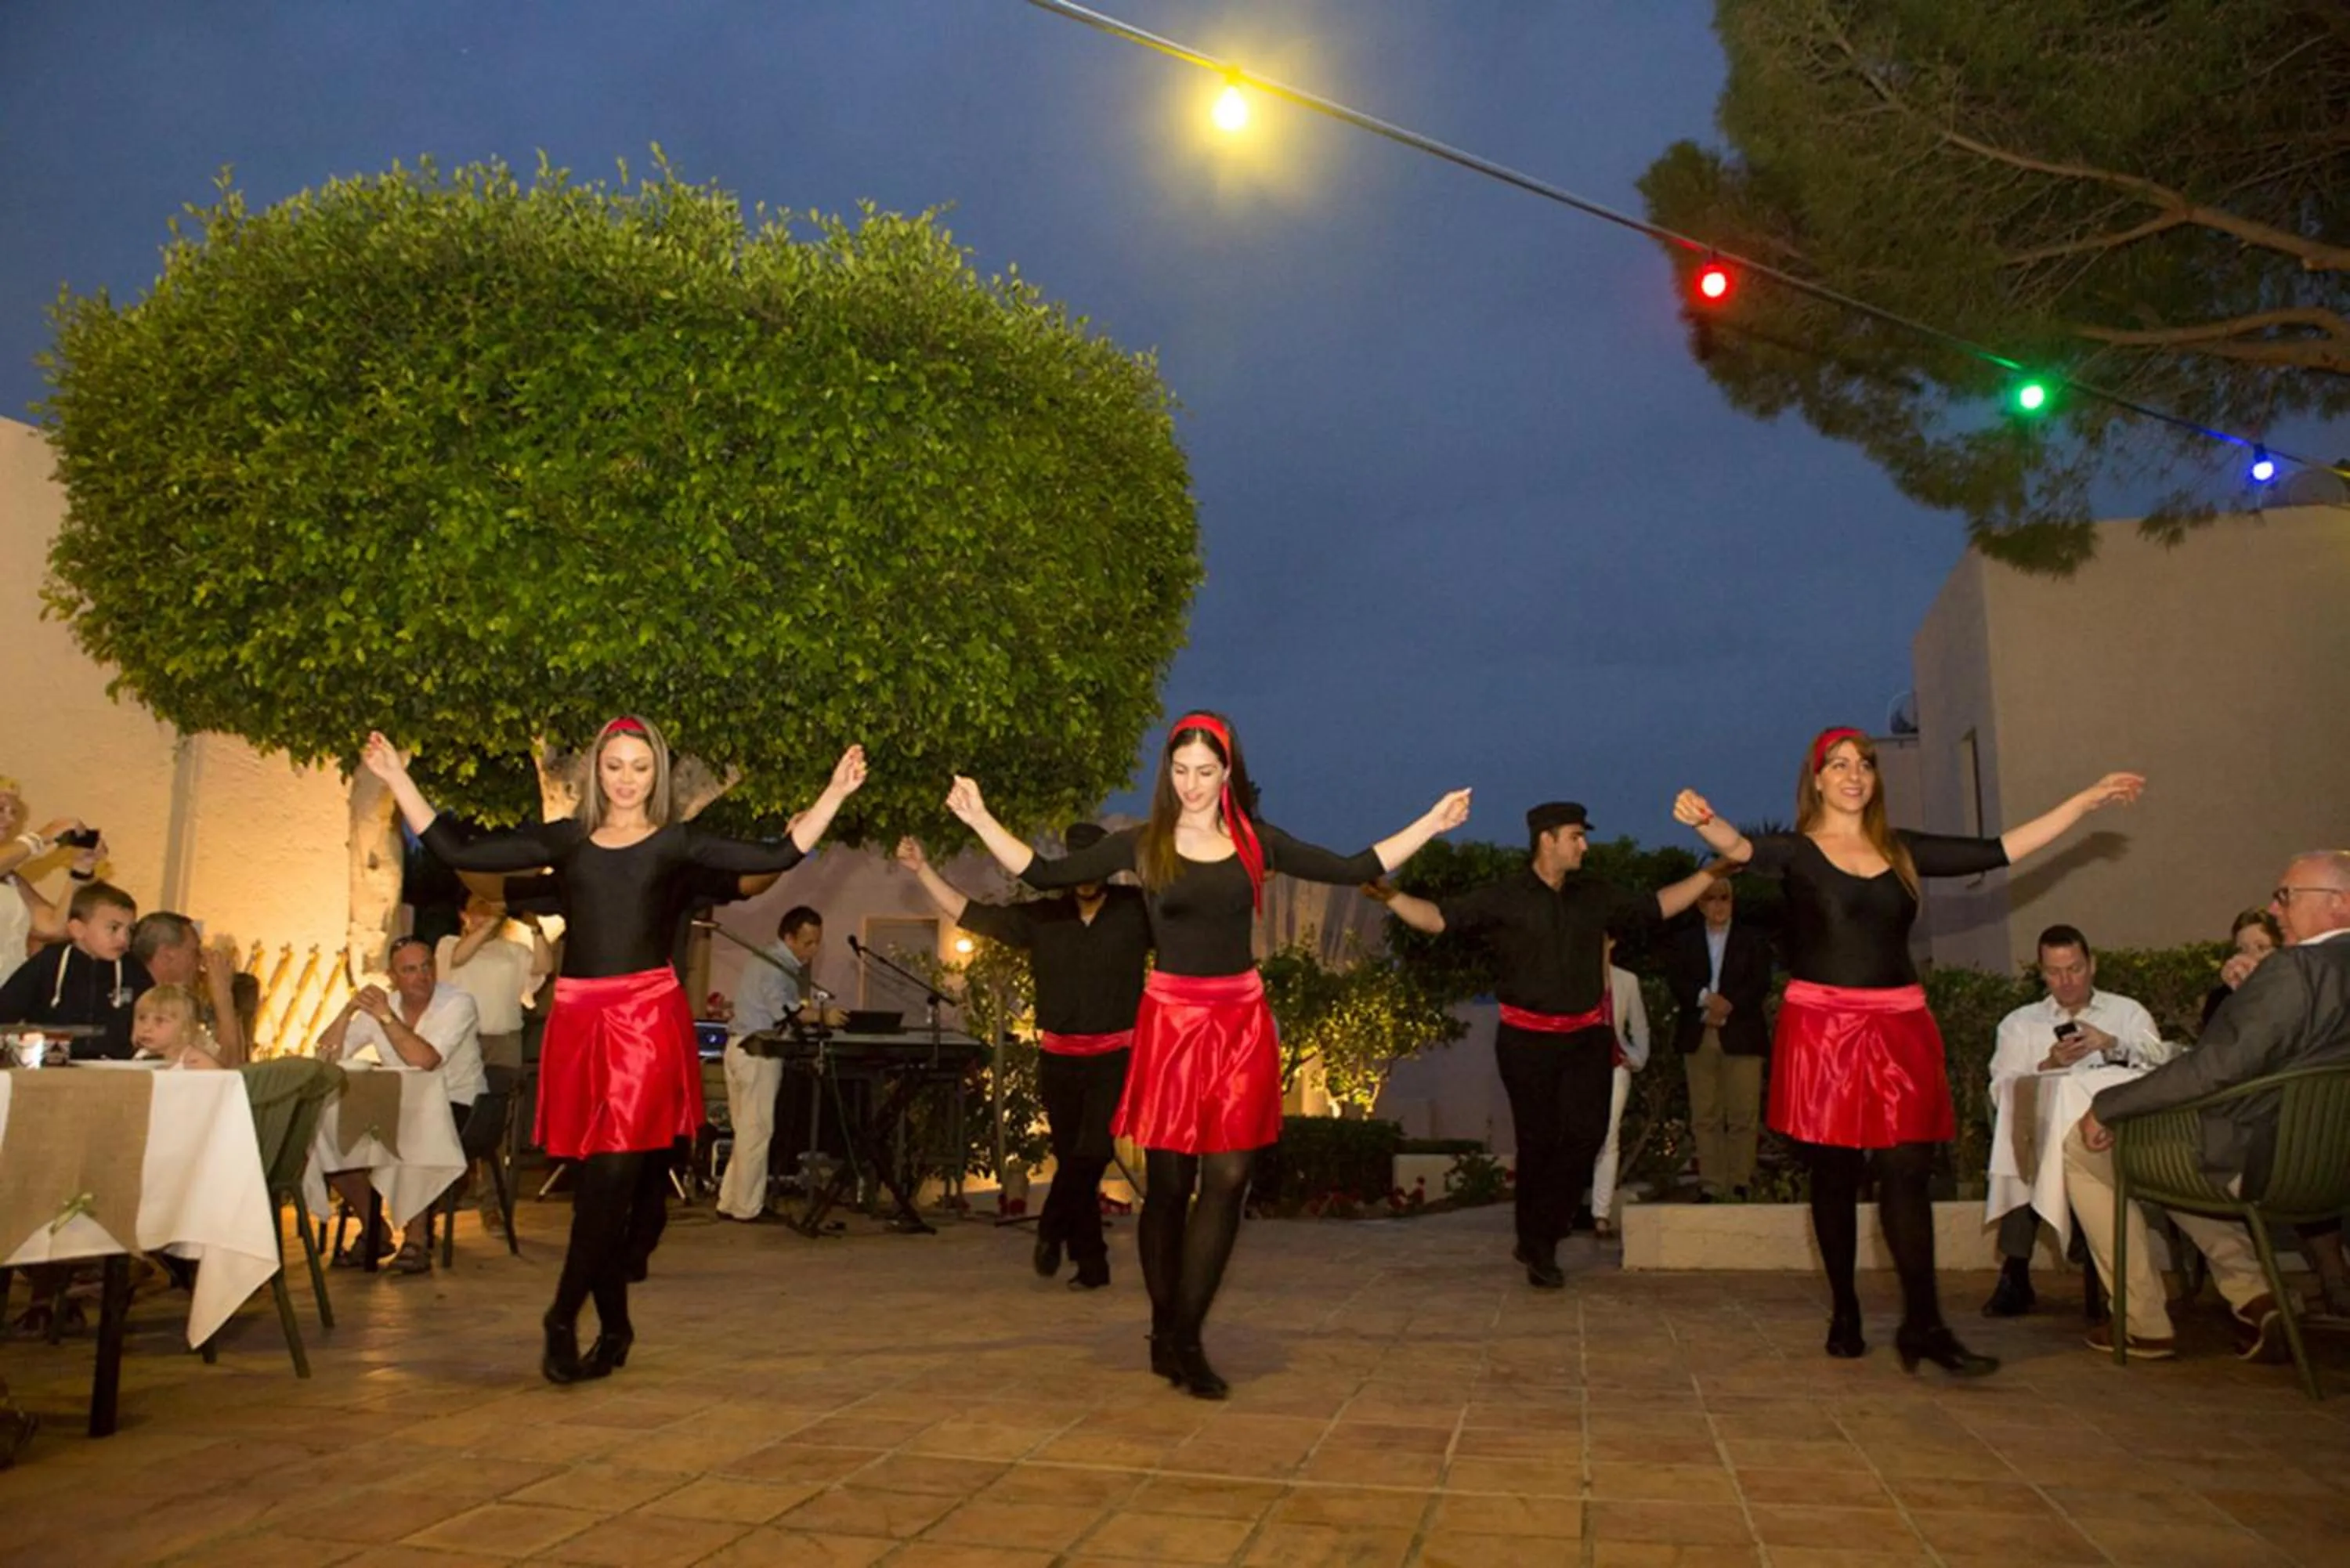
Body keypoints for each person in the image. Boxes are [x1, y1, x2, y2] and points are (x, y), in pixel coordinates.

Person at [945, 711, 1469, 1398]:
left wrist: (1429, 822)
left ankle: (1186, 1336)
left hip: (1240, 1023)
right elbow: (1044, 873)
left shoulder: (1257, 844)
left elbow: (1351, 867)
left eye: (1206, 771)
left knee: (1227, 1182)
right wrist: (982, 818)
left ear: (1228, 775)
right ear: (1169, 772)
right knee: (1168, 1188)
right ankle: (1165, 1329)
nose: (1192, 785)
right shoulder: (1143, 845)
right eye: (1180, 771)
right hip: (1172, 1022)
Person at [360, 717, 866, 1382]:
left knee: (610, 1178)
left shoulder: (676, 844)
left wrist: (832, 794)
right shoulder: (569, 841)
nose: (627, 780)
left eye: (640, 767)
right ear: (597, 770)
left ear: (656, 774)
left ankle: (563, 1314)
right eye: (615, 766)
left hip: (644, 1022)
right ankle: (617, 1323)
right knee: (601, 1183)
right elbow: (462, 849)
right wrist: (398, 777)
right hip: (577, 1019)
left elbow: (773, 856)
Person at [1676, 728, 2142, 1376]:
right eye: (1838, 765)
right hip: (1824, 1030)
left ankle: (1924, 1324)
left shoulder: (1903, 850)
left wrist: (2082, 802)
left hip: (1900, 1027)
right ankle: (1845, 1308)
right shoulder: (1799, 852)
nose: (1853, 774)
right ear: (1816, 780)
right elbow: (1739, 847)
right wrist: (1708, 819)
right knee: (1834, 1177)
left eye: (1863, 764)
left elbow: (2001, 849)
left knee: (1906, 1171)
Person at [1370, 803, 1725, 1288]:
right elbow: (1437, 919)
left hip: (1586, 1038)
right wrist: (1390, 895)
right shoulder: (1506, 896)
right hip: (1525, 1040)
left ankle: (1544, 1230)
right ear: (1547, 840)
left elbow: (1658, 905)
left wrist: (1715, 872)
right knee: (1538, 1143)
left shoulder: (1594, 894)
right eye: (1576, 836)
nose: (1584, 845)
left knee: (1587, 1135)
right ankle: (1537, 1245)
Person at [2071, 851, 2350, 1360]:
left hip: (2264, 1161)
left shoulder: (2295, 970)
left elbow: (2213, 1067)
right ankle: (2254, 1294)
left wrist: (2108, 1106)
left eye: (2286, 895)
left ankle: (2140, 1322)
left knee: (2086, 1151)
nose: (2275, 907)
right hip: (2332, 1168)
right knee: (2163, 1148)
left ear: (2339, 904)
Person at [898, 827, 1152, 1288]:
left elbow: (1193, 916)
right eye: (1077, 865)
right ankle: (1092, 1264)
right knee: (1073, 1156)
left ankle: (1052, 1227)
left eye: (1095, 864)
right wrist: (923, 871)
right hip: (1058, 1059)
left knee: (1092, 1152)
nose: (1086, 876)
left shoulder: (1136, 910)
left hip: (1116, 1057)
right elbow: (973, 914)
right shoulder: (1045, 916)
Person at [1981, 924, 2168, 1316]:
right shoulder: (2021, 1023)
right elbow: (2001, 1088)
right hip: (2043, 1137)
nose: (2066, 982)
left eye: (2075, 969)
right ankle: (2016, 1270)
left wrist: (2113, 1044)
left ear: (2092, 965)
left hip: (2116, 1138)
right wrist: (2048, 1065)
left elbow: (2162, 1068)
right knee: (2024, 1153)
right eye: (2054, 972)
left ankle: (2098, 1257)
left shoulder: (2126, 1012)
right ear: (2041, 972)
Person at [314, 934, 488, 1273]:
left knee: (412, 1129)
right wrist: (347, 1012)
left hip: (461, 1103)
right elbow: (326, 1056)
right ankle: (374, 1227)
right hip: (396, 1103)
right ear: (393, 976)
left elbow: (425, 1061)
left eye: (426, 967)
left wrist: (386, 1019)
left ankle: (417, 1238)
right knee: (325, 1133)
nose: (421, 977)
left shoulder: (458, 1003)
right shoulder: (386, 1004)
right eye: (410, 970)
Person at [717, 905, 847, 1223]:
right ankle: (747, 1208)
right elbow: (785, 1012)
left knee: (744, 1131)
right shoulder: (777, 966)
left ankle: (730, 1202)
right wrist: (824, 1016)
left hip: (738, 1048)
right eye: (807, 942)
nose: (813, 950)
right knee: (757, 1131)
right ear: (788, 937)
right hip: (758, 1052)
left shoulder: (766, 958)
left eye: (818, 942)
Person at [1665, 876, 1773, 1201]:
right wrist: (1705, 1000)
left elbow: (1760, 982)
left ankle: (1740, 1182)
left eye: (1724, 898)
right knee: (1705, 1116)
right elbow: (1677, 979)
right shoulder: (1684, 941)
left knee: (1743, 1114)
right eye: (1711, 899)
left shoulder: (1752, 940)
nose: (1718, 905)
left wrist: (1728, 1005)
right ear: (1700, 905)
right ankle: (1711, 1185)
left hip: (1741, 1033)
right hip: (1699, 1034)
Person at [0, 880, 148, 1059]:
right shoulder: (48, 963)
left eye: (130, 930)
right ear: (78, 929)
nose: (123, 939)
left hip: (115, 1070)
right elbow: (5, 1010)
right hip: (50, 1070)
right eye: (114, 928)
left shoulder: (133, 970)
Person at [0, 787, 99, 987]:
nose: (10, 821)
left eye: (14, 813)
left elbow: (54, 927)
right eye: (1, 809)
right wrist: (41, 837)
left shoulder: (10, 878)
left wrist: (80, 870)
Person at [1588, 939, 1650, 1241]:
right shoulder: (1571, 977)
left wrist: (1636, 1058)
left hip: (1615, 1064)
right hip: (1578, 1067)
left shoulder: (1626, 980)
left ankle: (1601, 1213)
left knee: (1609, 1137)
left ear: (1611, 942)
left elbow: (1639, 1024)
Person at [132, 912, 248, 1066]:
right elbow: (228, 1071)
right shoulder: (149, 1004)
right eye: (195, 952)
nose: (200, 963)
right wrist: (223, 995)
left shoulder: (185, 997)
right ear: (168, 955)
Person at [2202, 909, 2283, 1031]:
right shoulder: (2222, 998)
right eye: (2243, 950)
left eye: (2261, 948)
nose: (2251, 956)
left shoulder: (2290, 992)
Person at [129, 984, 226, 1069]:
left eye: (160, 1020)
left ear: (185, 1028)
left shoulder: (195, 1062)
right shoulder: (140, 1057)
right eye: (142, 1018)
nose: (146, 1028)